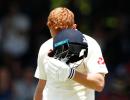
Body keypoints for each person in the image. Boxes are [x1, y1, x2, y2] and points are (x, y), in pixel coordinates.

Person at [33, 7, 108, 100]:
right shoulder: (45, 48)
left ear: (74, 27)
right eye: (55, 36)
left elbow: (99, 84)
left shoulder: (90, 45)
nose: (59, 41)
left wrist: (71, 74)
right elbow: (41, 87)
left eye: (63, 35)